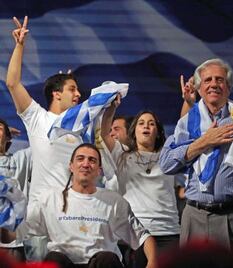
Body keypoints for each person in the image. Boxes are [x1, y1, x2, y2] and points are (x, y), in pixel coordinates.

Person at [159, 58, 233, 258]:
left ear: (228, 87)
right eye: (208, 80)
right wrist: (204, 142)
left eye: (220, 80)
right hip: (195, 215)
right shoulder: (187, 122)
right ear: (199, 88)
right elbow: (167, 164)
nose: (214, 84)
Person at [6, 16, 84, 260]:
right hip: (40, 217)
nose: (79, 94)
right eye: (72, 89)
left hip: (74, 214)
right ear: (56, 94)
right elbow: (12, 82)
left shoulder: (81, 129)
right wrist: (20, 46)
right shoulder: (37, 117)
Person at [25, 143, 157, 268]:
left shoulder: (114, 201)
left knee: (106, 259)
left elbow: (143, 237)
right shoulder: (50, 198)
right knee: (53, 259)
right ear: (71, 166)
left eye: (92, 160)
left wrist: (153, 262)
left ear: (99, 170)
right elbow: (20, 231)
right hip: (65, 263)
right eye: (80, 159)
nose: (86, 164)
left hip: (101, 264)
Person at [102, 103, 180, 266]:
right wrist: (111, 109)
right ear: (134, 131)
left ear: (157, 133)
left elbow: (182, 133)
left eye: (151, 124)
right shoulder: (122, 156)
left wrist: (187, 102)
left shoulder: (167, 156)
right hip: (135, 234)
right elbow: (104, 134)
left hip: (168, 232)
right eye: (141, 123)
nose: (146, 126)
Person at [0, 118, 31, 261]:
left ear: (7, 137)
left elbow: (45, 143)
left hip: (12, 244)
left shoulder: (20, 159)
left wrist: (6, 133)